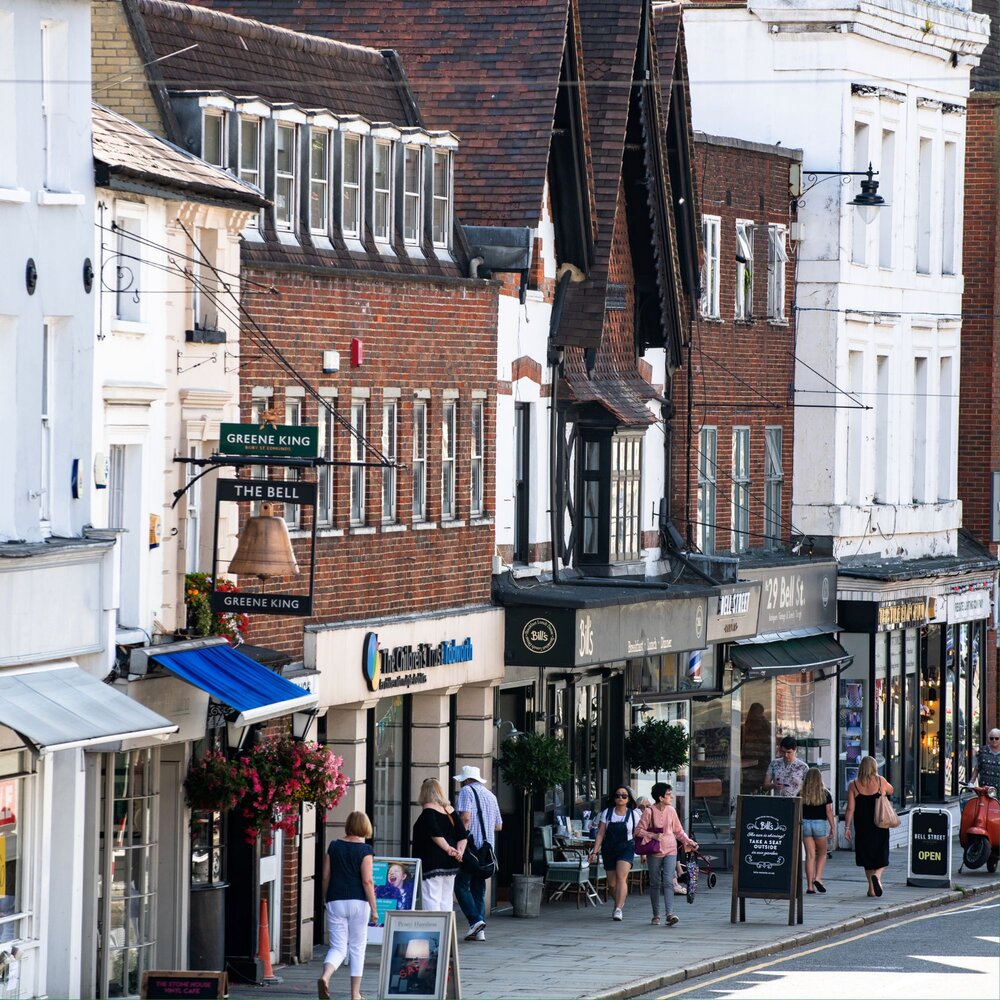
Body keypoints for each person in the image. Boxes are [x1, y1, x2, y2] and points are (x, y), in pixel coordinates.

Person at [318, 810, 379, 1000]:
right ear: (365, 827)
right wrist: (374, 909)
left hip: (335, 900)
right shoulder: (365, 850)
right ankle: (355, 994)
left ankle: (326, 977)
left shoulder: (334, 846)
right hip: (358, 902)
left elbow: (325, 876)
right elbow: (367, 881)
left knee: (337, 948)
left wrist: (326, 897)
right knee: (357, 947)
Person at [635, 782, 697, 926]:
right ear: (661, 797)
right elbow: (637, 831)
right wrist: (652, 835)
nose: (672, 797)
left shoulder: (671, 810)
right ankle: (656, 915)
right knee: (655, 882)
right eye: (669, 794)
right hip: (654, 850)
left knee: (669, 881)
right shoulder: (648, 811)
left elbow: (678, 831)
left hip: (671, 849)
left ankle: (669, 914)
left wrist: (689, 841)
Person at [453, 764, 502, 942]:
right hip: (487, 850)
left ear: (466, 780)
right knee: (478, 888)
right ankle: (479, 931)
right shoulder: (491, 795)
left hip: (471, 848)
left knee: (461, 884)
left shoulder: (466, 791)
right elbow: (499, 825)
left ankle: (475, 921)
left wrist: (461, 838)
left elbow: (465, 818)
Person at [411, 777, 468, 912]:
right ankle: (446, 931)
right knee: (446, 901)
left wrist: (449, 849)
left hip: (432, 862)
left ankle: (434, 931)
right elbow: (463, 835)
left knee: (431, 899)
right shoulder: (450, 810)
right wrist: (459, 852)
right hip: (451, 863)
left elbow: (434, 833)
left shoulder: (428, 811)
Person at [588, 785, 642, 921]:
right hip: (609, 848)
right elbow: (601, 833)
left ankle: (618, 909)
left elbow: (638, 834)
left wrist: (643, 852)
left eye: (624, 796)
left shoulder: (634, 815)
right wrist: (594, 851)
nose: (620, 798)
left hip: (626, 848)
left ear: (629, 799)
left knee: (621, 877)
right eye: (618, 795)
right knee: (611, 884)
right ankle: (619, 901)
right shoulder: (607, 812)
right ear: (614, 798)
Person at [844, 755, 893, 898]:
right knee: (881, 853)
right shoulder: (880, 781)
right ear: (874, 767)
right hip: (879, 823)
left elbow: (850, 809)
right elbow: (892, 790)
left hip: (862, 825)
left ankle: (871, 890)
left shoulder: (853, 785)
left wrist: (847, 828)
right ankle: (877, 876)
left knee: (867, 856)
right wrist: (882, 791)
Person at [800, 767, 834, 894]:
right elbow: (829, 812)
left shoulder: (801, 793)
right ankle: (818, 878)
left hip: (805, 824)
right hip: (820, 824)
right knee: (822, 853)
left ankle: (809, 886)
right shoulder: (825, 793)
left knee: (810, 855)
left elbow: (798, 811)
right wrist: (833, 827)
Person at [741, 702, 772, 792]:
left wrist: (764, 720)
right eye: (757, 713)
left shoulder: (764, 723)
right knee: (749, 784)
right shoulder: (747, 726)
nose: (758, 715)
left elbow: (771, 731)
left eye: (760, 713)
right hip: (749, 758)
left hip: (763, 758)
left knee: (761, 783)